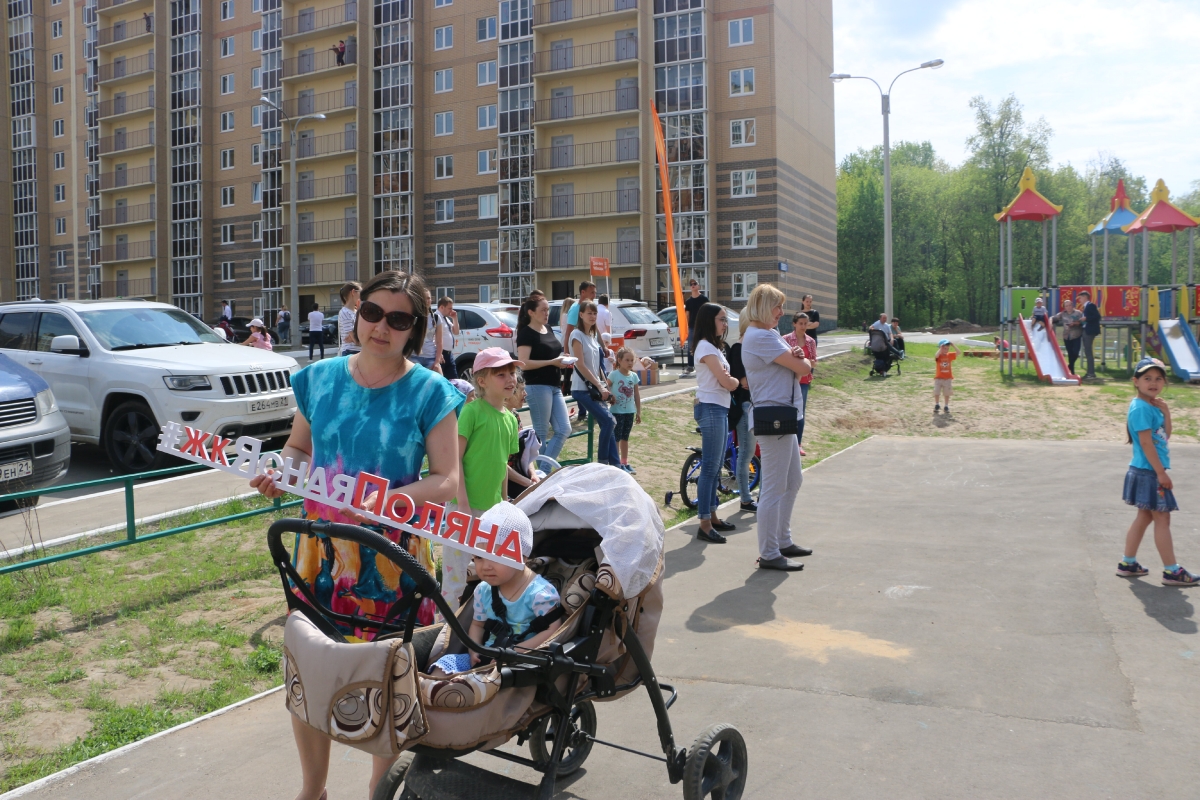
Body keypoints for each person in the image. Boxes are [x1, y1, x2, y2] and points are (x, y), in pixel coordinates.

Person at [248, 270, 462, 800]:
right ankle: (312, 791)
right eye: (372, 313)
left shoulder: (430, 391)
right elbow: (299, 449)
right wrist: (279, 472)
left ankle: (378, 791)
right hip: (318, 555)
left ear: (414, 329)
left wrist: (389, 503)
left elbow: (448, 479)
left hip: (391, 560)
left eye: (398, 319)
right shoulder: (318, 379)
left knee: (385, 680)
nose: (381, 328)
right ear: (356, 311)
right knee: (310, 673)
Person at [429, 503, 562, 675]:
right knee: (440, 669)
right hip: (487, 656)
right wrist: (474, 648)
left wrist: (515, 653)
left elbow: (553, 630)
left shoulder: (540, 594)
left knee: (470, 687)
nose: (485, 566)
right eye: (478, 557)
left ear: (522, 556)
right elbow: (477, 624)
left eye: (495, 557)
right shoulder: (483, 590)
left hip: (522, 664)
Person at [443, 347, 523, 611]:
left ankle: (478, 622)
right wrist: (463, 502)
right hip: (463, 507)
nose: (510, 379)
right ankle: (443, 627)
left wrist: (503, 503)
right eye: (501, 374)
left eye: (512, 372)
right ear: (482, 380)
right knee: (455, 574)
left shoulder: (511, 420)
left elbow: (502, 465)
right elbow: (455, 457)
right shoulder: (472, 411)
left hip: (492, 511)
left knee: (489, 572)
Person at [740, 285, 812, 570]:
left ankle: (782, 540)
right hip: (775, 418)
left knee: (792, 480)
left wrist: (797, 357)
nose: (781, 313)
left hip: (783, 415)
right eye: (777, 307)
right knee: (773, 486)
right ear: (762, 307)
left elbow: (800, 362)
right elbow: (804, 367)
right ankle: (770, 552)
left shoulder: (767, 335)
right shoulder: (760, 336)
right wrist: (798, 358)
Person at [1118, 358, 1199, 586]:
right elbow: (1146, 444)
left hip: (1145, 470)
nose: (1153, 383)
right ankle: (1172, 571)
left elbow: (1163, 436)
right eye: (1147, 378)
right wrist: (1161, 473)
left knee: (1145, 516)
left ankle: (1128, 563)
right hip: (1149, 472)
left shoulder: (1150, 406)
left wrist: (1166, 413)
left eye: (1158, 378)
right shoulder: (1141, 408)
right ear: (1136, 381)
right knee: (1162, 518)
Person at [692, 304, 740, 543]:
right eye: (721, 319)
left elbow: (726, 379)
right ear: (709, 321)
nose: (725, 323)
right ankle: (704, 522)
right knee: (710, 467)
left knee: (716, 464)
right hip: (711, 407)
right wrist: (733, 381)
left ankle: (712, 515)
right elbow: (725, 381)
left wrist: (730, 381)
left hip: (718, 407)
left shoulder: (714, 348)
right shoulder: (705, 347)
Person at [517, 296, 570, 461]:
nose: (547, 313)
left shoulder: (548, 328)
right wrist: (552, 362)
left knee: (564, 429)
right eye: (543, 310)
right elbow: (523, 363)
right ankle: (541, 475)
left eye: (547, 309)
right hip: (537, 385)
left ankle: (544, 471)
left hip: (554, 384)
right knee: (541, 432)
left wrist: (563, 357)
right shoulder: (526, 333)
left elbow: (551, 353)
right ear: (531, 312)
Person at [569, 300, 620, 467]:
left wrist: (606, 387)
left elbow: (598, 366)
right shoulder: (577, 334)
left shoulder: (592, 336)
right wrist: (599, 386)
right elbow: (580, 364)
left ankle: (616, 465)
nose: (592, 316)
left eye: (594, 313)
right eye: (589, 313)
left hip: (595, 388)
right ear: (581, 315)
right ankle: (602, 463)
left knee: (609, 425)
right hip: (582, 389)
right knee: (609, 422)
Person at [726, 339, 756, 512]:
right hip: (744, 405)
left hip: (752, 404)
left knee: (749, 453)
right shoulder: (739, 348)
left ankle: (748, 498)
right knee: (746, 453)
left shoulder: (750, 348)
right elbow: (745, 381)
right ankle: (745, 499)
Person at [784, 312, 818, 456]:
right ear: (794, 324)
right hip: (788, 380)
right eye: (801, 323)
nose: (803, 326)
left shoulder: (811, 341)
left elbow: (814, 362)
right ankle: (786, 442)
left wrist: (804, 362)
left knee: (800, 413)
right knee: (787, 410)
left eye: (806, 323)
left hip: (804, 380)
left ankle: (798, 443)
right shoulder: (785, 339)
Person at [607, 347, 641, 474]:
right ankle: (616, 463)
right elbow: (606, 386)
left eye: (632, 360)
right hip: (617, 411)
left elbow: (637, 395)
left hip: (629, 412)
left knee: (625, 438)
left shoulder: (634, 376)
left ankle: (624, 462)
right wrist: (610, 395)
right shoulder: (614, 375)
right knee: (616, 437)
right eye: (627, 360)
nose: (630, 363)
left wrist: (638, 411)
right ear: (619, 360)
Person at [414, 289, 443, 372]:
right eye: (424, 298)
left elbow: (439, 342)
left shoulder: (436, 317)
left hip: (431, 357)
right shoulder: (414, 316)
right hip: (414, 357)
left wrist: (437, 362)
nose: (427, 301)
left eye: (428, 298)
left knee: (440, 382)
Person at [683, 279, 708, 374]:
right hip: (692, 327)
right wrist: (686, 328)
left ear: (698, 286)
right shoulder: (689, 301)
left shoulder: (704, 299)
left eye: (695, 284)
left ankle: (705, 364)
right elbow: (687, 315)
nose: (693, 285)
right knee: (691, 347)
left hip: (702, 326)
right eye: (691, 284)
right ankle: (690, 366)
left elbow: (708, 312)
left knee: (704, 345)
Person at [1053, 298, 1084, 375]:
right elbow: (1054, 318)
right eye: (1067, 306)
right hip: (1067, 336)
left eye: (1070, 305)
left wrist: (1076, 323)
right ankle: (1072, 371)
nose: (1068, 307)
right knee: (1070, 353)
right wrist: (1050, 321)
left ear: (1072, 305)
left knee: (1075, 353)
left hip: (1076, 335)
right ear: (1065, 307)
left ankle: (1069, 366)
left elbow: (1083, 322)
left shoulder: (1078, 313)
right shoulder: (1062, 314)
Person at [435, 297, 460, 379]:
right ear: (442, 307)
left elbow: (456, 331)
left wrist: (455, 318)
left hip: (449, 355)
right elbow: (433, 336)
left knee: (454, 380)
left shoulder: (445, 318)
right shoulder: (436, 317)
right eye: (449, 308)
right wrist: (439, 353)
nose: (451, 311)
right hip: (441, 354)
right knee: (441, 381)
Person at [1079, 290, 1101, 379]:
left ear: (1085, 297)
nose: (1079, 300)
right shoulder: (1086, 307)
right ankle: (1089, 372)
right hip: (1086, 330)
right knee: (1087, 351)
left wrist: (1086, 318)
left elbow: (1097, 316)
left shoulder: (1090, 305)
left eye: (1080, 298)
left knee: (1088, 352)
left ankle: (1091, 373)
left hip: (1089, 331)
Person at [933, 338, 959, 414]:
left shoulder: (949, 355)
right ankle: (937, 404)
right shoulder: (939, 356)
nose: (946, 349)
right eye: (944, 348)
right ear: (940, 348)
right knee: (936, 392)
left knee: (947, 393)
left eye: (947, 348)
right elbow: (936, 355)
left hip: (947, 378)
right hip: (938, 378)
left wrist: (953, 345)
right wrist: (940, 349)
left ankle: (946, 406)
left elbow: (958, 352)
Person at [337, 281, 361, 357]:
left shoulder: (357, 311)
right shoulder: (344, 312)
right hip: (350, 352)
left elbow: (357, 335)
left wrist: (355, 338)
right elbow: (356, 340)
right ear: (353, 292)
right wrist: (357, 339)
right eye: (360, 292)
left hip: (358, 351)